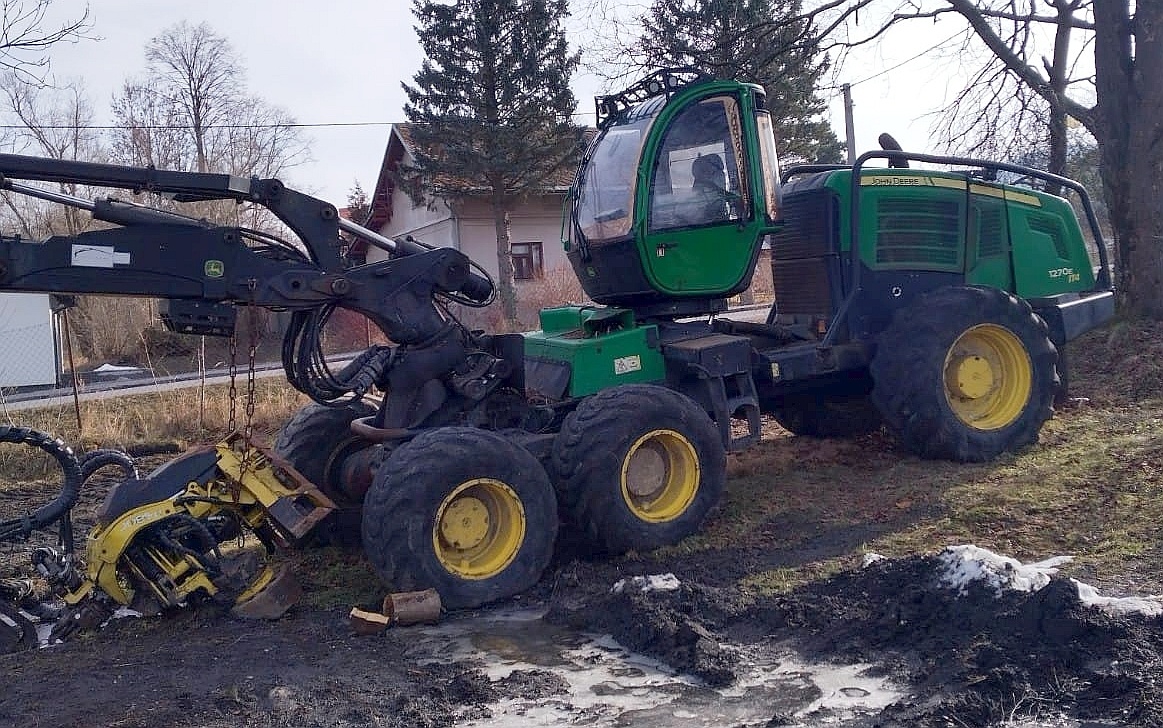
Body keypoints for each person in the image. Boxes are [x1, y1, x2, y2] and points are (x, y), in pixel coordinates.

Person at [690, 153, 730, 223]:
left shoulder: (719, 176)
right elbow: (698, 205)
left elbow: (722, 194)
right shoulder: (699, 185)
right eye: (704, 170)